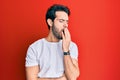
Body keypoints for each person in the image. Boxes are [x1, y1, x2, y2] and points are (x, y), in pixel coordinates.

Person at [25, 4, 80, 80]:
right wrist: (62, 79)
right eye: (61, 21)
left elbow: (72, 77)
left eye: (67, 22)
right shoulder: (34, 48)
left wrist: (66, 50)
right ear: (50, 22)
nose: (66, 25)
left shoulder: (72, 46)